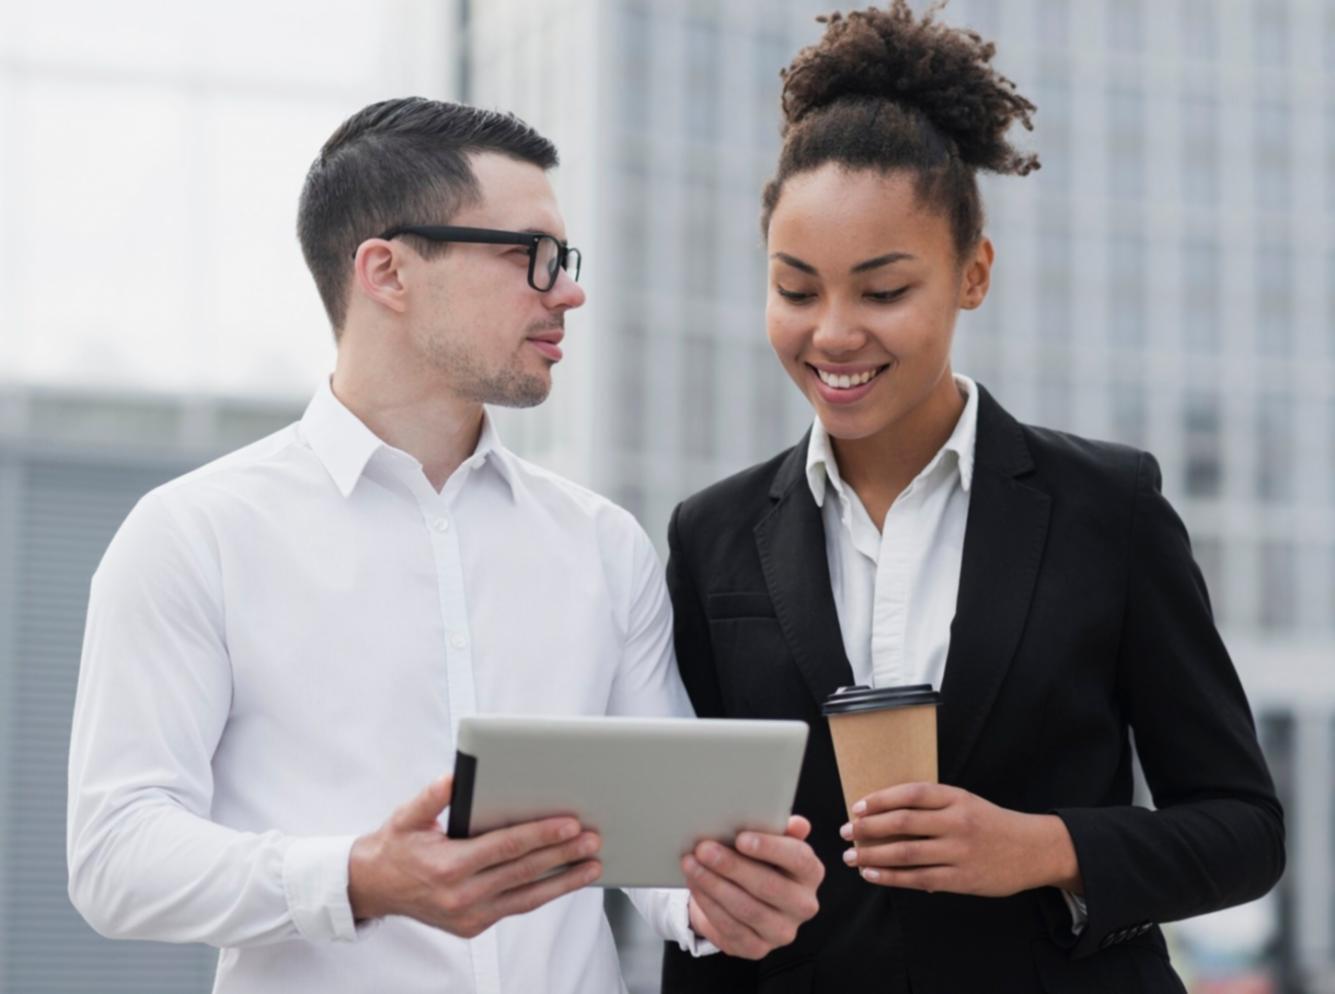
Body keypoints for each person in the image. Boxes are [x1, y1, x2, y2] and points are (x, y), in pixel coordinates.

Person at [67, 96, 823, 994]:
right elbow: (115, 856)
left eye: (565, 259)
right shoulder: (195, 535)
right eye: (529, 255)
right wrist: (357, 877)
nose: (568, 291)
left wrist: (718, 899)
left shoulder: (601, 544)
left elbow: (659, 841)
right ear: (387, 271)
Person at [660, 6, 1284, 993]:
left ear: (973, 274)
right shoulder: (712, 535)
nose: (833, 333)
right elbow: (692, 862)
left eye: (882, 291)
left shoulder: (1109, 508)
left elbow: (1243, 829)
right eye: (796, 289)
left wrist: (1042, 848)